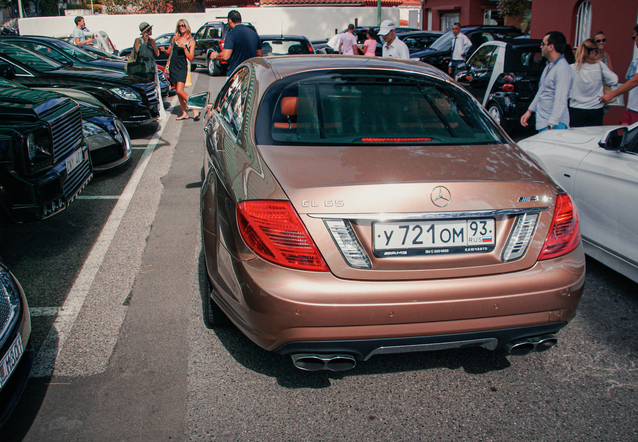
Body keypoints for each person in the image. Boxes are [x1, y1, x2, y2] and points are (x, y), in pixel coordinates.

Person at [521, 31, 573, 132]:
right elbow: (541, 91)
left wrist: (551, 125)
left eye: (543, 44)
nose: (541, 47)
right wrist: (529, 111)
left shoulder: (562, 69)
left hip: (555, 125)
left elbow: (560, 100)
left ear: (551, 47)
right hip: (544, 122)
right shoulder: (549, 66)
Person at [568, 39, 618, 127]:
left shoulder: (572, 68)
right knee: (594, 136)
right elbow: (614, 80)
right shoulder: (599, 65)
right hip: (595, 108)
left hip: (576, 108)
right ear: (593, 51)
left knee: (575, 137)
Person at [600, 24, 638, 125]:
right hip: (633, 108)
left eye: (634, 37)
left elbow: (635, 80)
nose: (634, 41)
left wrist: (612, 94)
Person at [162, 19, 198, 121]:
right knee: (178, 92)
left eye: (183, 25)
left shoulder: (191, 41)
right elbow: (169, 51)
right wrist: (164, 50)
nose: (181, 27)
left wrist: (184, 48)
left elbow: (190, 57)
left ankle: (194, 107)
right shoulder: (175, 38)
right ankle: (184, 113)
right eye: (179, 26)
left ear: (186, 26)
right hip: (173, 66)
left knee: (180, 90)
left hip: (182, 67)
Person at [208, 10, 262, 77]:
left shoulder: (231, 34)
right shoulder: (254, 34)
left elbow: (225, 56)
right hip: (250, 74)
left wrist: (215, 56)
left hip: (235, 73)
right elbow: (259, 54)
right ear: (240, 20)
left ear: (229, 20)